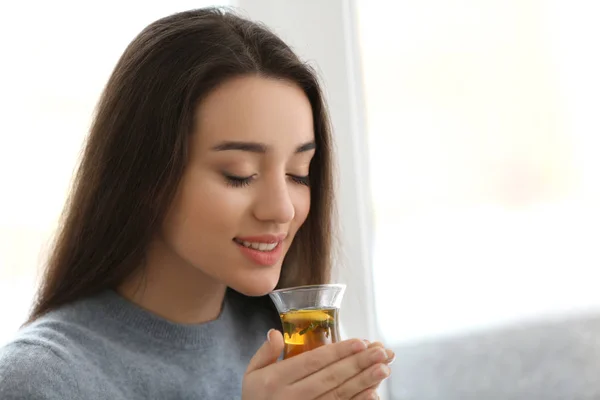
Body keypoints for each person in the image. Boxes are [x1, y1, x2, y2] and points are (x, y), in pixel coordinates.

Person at [0, 7, 394, 399]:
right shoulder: (41, 380)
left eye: (299, 173)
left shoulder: (293, 347)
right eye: (239, 174)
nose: (282, 209)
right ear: (145, 175)